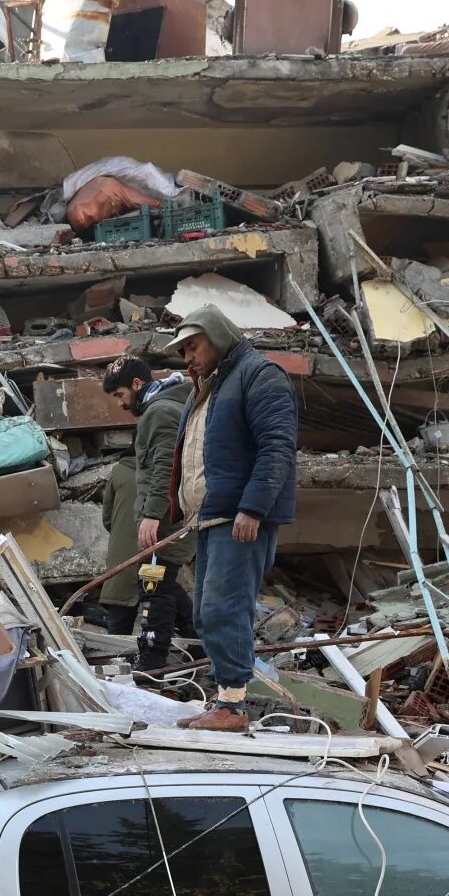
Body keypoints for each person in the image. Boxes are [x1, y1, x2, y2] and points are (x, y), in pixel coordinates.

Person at [162, 305, 298, 732]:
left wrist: (253, 508)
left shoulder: (259, 375)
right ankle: (226, 699)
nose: (187, 357)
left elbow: (277, 447)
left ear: (218, 336)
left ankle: (234, 708)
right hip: (213, 518)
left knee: (226, 607)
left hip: (239, 518)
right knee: (207, 611)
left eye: (193, 346)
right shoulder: (213, 386)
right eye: (183, 349)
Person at [102, 357, 193, 672]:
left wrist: (152, 514)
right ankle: (200, 643)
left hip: (167, 522)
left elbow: (166, 466)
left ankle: (152, 665)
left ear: (137, 384)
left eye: (120, 395)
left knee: (154, 590)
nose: (120, 403)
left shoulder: (160, 412)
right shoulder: (164, 408)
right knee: (162, 586)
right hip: (169, 521)